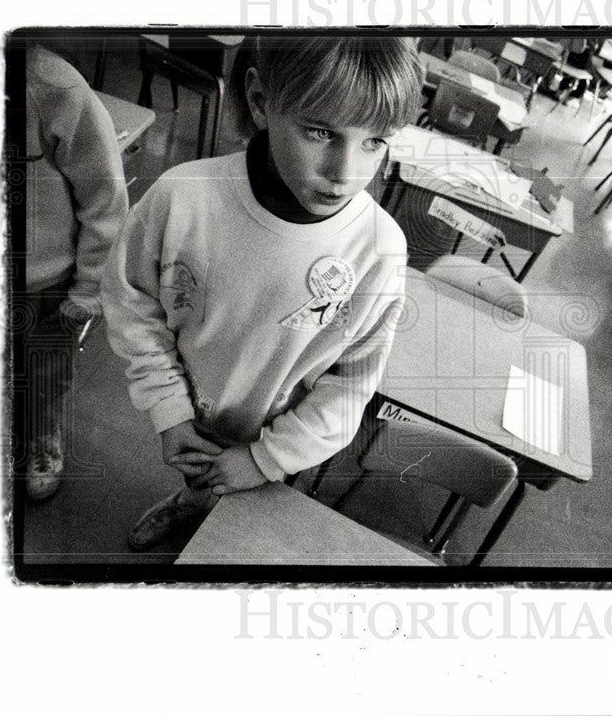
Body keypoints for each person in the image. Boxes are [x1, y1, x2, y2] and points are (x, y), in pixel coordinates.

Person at [101, 36, 423, 551]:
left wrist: (264, 460)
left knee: (241, 529)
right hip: (188, 410)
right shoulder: (182, 197)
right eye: (320, 131)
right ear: (259, 102)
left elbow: (351, 383)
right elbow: (132, 301)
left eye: (375, 141)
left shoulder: (381, 249)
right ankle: (192, 503)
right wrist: (169, 407)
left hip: (283, 440)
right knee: (201, 479)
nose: (346, 174)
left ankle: (208, 518)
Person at [23, 44, 129, 500]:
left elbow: (107, 204)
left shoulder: (56, 88)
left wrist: (87, 294)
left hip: (45, 286)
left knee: (44, 378)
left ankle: (42, 437)